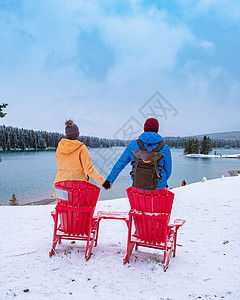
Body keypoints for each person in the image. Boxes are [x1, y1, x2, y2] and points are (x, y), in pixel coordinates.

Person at [105, 118, 172, 190]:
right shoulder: (165, 148)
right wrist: (159, 181)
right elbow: (168, 171)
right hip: (159, 189)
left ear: (144, 129)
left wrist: (110, 180)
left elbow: (120, 163)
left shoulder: (133, 145)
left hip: (138, 187)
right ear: (157, 130)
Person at [53, 119, 111, 196]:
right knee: (82, 205)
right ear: (77, 135)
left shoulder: (60, 148)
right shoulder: (81, 148)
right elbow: (89, 170)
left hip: (60, 185)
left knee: (66, 206)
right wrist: (103, 182)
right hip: (78, 187)